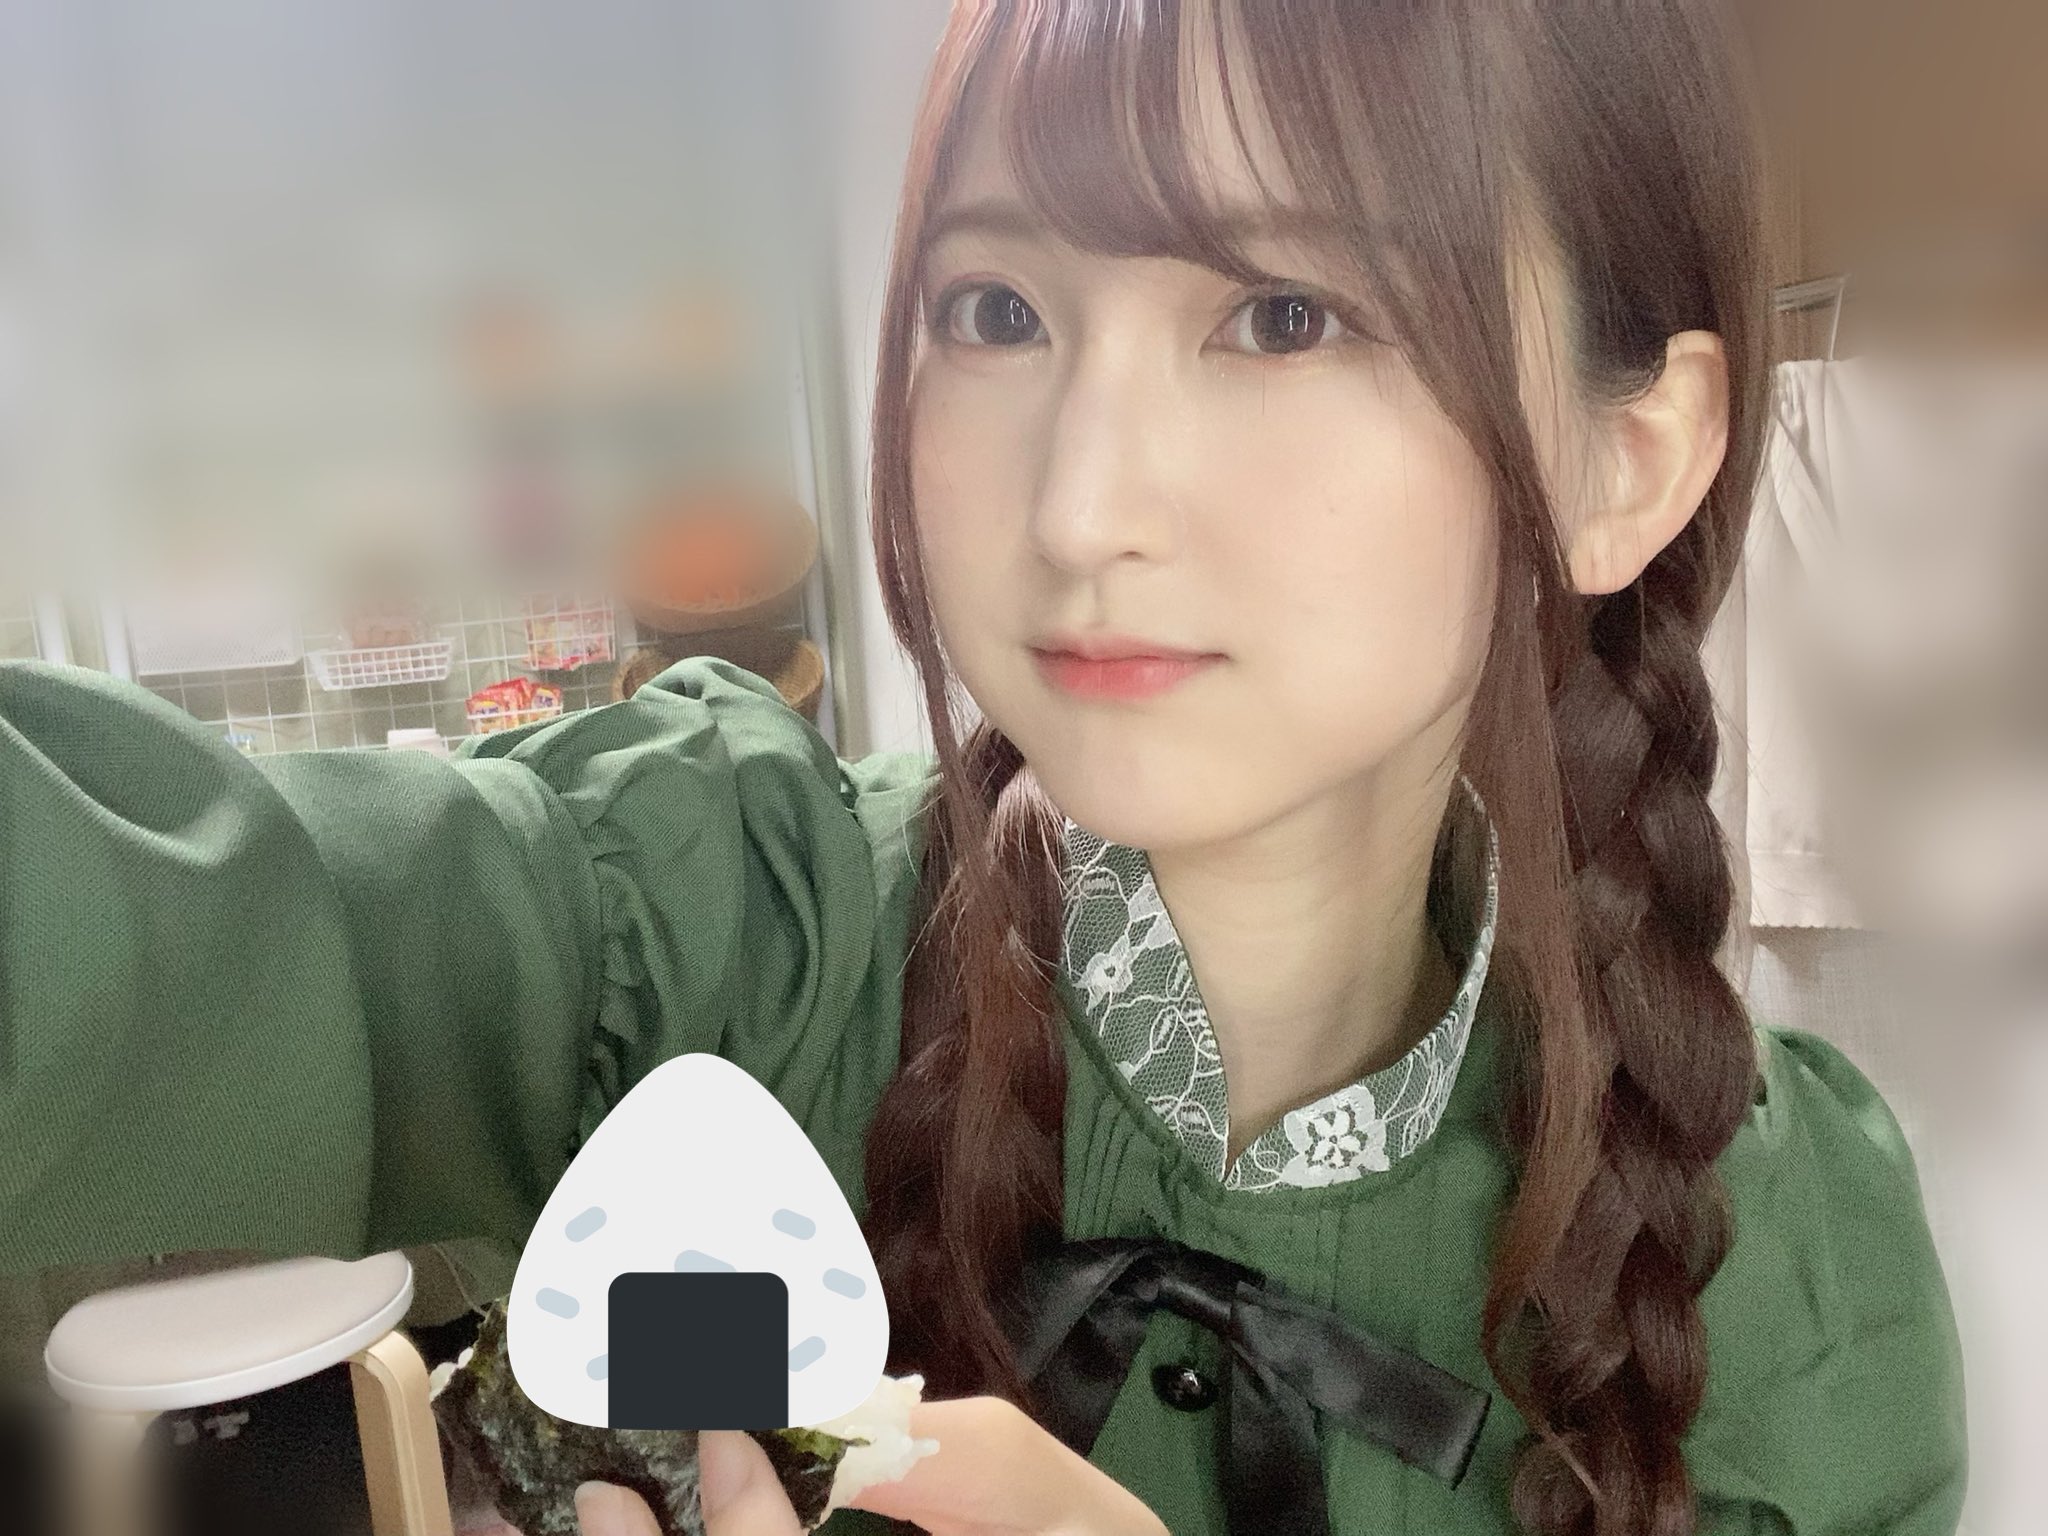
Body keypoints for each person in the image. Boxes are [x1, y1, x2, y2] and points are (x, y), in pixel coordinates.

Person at [0, 2, 1967, 1533]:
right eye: (997, 310)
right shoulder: (721, 940)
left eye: (1281, 316)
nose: (1079, 500)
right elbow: (145, 929)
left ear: (1628, 455)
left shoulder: (1802, 1282)